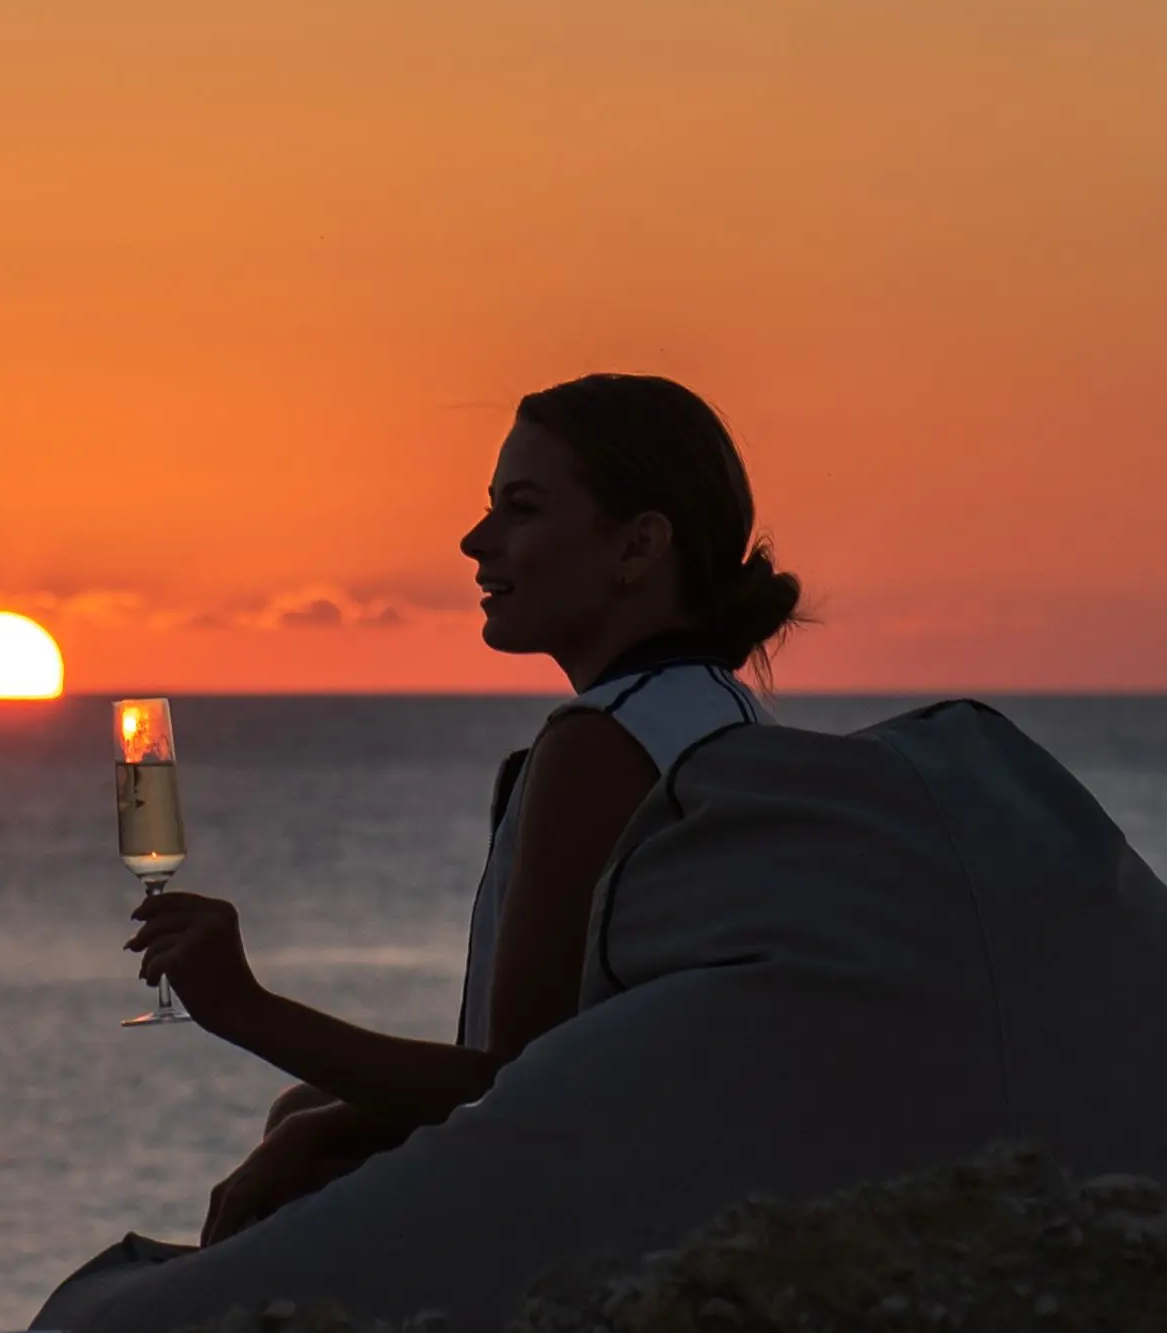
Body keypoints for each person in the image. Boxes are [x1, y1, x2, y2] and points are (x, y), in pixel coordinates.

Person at [128, 372, 799, 1238]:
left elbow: (518, 1089)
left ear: (637, 547)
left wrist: (243, 1007)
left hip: (585, 1222)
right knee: (309, 1117)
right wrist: (330, 1118)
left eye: (521, 509)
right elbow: (589, 1063)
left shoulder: (599, 747)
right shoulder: (722, 712)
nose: (475, 540)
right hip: (674, 1175)